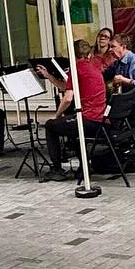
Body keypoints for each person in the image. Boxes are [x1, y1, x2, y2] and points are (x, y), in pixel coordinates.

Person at [41, 39, 107, 179]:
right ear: (88, 54)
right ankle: (83, 166)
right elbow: (67, 87)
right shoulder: (94, 67)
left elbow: (68, 98)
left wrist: (57, 115)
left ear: (72, 55)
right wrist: (49, 76)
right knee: (70, 124)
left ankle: (57, 170)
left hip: (89, 119)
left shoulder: (76, 69)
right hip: (101, 119)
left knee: (50, 126)